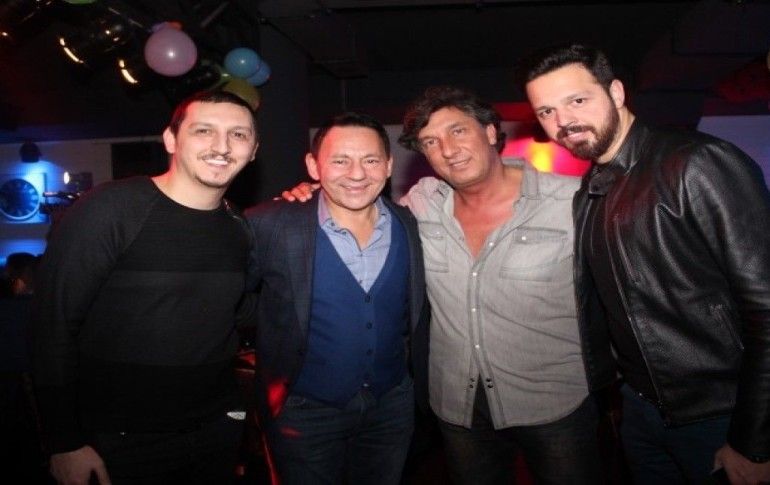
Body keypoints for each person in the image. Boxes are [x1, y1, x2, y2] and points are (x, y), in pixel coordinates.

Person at [286, 87, 601, 484]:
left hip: (554, 404)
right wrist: (317, 193)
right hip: (458, 405)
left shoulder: (572, 203)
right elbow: (360, 206)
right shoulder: (422, 203)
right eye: (431, 142)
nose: (448, 150)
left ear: (490, 131)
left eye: (458, 131)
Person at [519, 43, 770, 485]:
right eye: (546, 112)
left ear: (616, 92)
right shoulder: (590, 193)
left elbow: (766, 307)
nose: (563, 121)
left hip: (720, 416)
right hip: (641, 413)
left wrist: (756, 438)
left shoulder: (697, 163)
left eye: (577, 100)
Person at [32, 90, 259, 485]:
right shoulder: (111, 208)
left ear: (253, 150)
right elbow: (51, 325)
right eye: (204, 130)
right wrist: (63, 440)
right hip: (119, 440)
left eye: (238, 135)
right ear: (171, 140)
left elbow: (232, 310)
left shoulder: (237, 225)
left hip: (217, 428)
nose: (222, 146)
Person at [244, 112, 428, 484]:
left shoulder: (411, 224)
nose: (357, 174)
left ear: (389, 166)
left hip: (391, 406)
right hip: (303, 410)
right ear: (314, 166)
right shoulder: (269, 223)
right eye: (340, 160)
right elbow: (236, 306)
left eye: (370, 160)